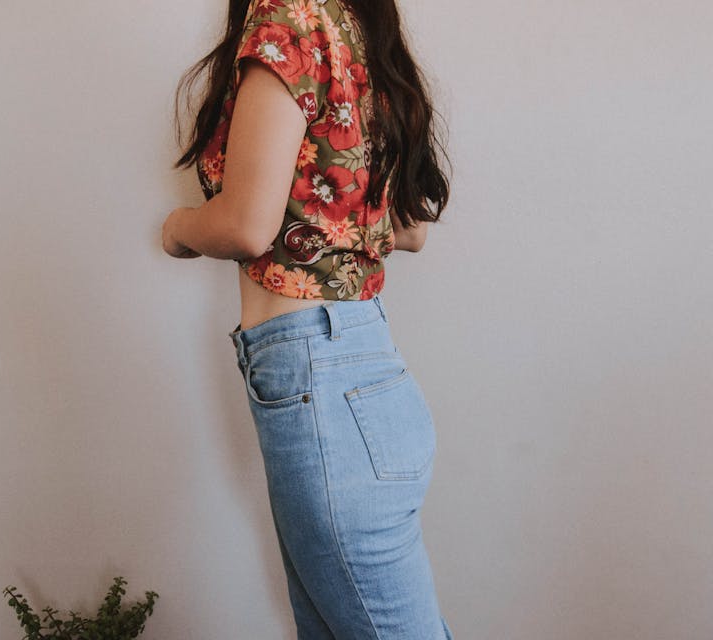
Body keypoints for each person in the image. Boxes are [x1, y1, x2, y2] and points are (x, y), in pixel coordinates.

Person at [164, 0, 453, 636]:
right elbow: (412, 230)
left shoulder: (288, 20)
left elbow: (244, 225)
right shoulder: (361, 30)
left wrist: (178, 229)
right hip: (364, 370)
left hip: (319, 378)